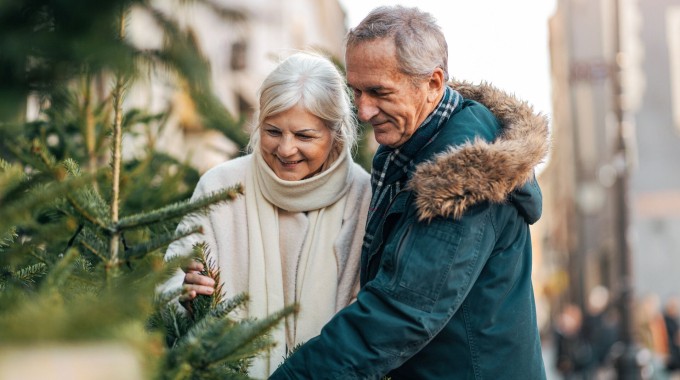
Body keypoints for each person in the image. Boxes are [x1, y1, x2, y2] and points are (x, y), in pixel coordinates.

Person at [271, 5, 549, 379]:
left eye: (379, 92)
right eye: (356, 91)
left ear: (433, 84)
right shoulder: (413, 144)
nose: (364, 110)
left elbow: (400, 313)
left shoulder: (463, 177)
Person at [162, 51, 371, 378]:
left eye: (304, 136)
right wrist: (184, 296)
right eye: (273, 132)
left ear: (336, 134)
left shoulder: (365, 197)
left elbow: (371, 318)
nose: (286, 149)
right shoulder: (220, 186)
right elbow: (167, 286)